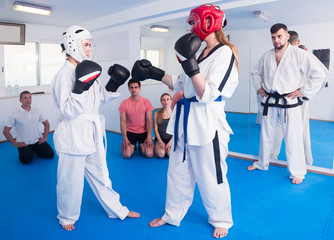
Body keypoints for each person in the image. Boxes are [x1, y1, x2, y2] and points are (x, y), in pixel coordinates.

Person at [131, 3, 239, 238]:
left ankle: (221, 219)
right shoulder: (200, 52)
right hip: (183, 122)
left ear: (208, 22)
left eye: (193, 22)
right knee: (177, 173)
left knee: (211, 174)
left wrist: (190, 64)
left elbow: (206, 93)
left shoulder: (225, 53)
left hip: (207, 124)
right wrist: (154, 72)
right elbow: (181, 82)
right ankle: (172, 214)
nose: (190, 27)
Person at [52, 25, 140, 231]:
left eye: (91, 44)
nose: (90, 48)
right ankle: (66, 216)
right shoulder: (63, 75)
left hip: (92, 131)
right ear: (73, 45)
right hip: (73, 133)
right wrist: (79, 87)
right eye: (86, 44)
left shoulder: (87, 67)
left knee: (102, 174)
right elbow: (67, 109)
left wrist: (114, 84)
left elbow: (99, 98)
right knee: (70, 180)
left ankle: (117, 209)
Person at [247, 23, 328, 184]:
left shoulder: (299, 54)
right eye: (273, 37)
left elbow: (318, 74)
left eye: (279, 36)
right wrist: (260, 87)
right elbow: (255, 71)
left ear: (286, 36)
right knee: (266, 135)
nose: (276, 40)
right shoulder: (267, 55)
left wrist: (303, 91)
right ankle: (262, 163)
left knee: (293, 138)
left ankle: (298, 172)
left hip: (289, 102)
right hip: (270, 101)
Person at [3, 91, 54, 164]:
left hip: (37, 141)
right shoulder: (14, 114)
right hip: (24, 144)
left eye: (30, 97)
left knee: (50, 155)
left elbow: (46, 124)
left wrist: (45, 138)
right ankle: (26, 152)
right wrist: (15, 144)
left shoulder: (37, 111)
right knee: (27, 160)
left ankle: (35, 150)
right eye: (25, 98)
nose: (28, 100)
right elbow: (5, 131)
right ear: (20, 100)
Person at [118, 79, 154, 158]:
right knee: (126, 155)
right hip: (130, 131)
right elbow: (122, 122)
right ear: (129, 89)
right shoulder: (124, 103)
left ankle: (141, 146)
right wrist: (125, 138)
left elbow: (149, 120)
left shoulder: (146, 102)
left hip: (143, 132)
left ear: (139, 88)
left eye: (136, 87)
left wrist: (149, 137)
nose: (134, 90)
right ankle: (133, 146)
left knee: (149, 154)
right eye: (131, 87)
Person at [153, 93, 173, 158]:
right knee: (161, 154)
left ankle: (168, 148)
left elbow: (177, 130)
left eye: (168, 99)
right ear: (161, 102)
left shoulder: (174, 113)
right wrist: (160, 141)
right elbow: (155, 130)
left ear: (171, 101)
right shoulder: (156, 114)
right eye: (163, 100)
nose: (166, 102)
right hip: (160, 139)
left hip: (171, 139)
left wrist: (170, 142)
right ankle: (158, 146)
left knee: (170, 154)